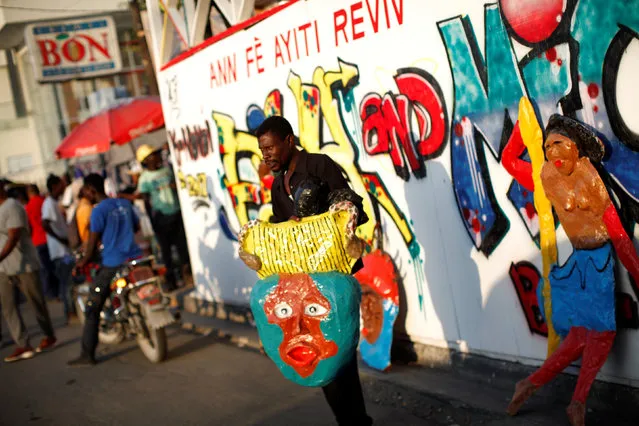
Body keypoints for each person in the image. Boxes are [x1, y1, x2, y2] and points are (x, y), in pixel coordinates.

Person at [502, 114, 639, 426]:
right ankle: (575, 401)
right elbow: (509, 161)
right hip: (584, 266)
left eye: (559, 144)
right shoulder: (548, 176)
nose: (553, 152)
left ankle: (532, 385)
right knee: (596, 335)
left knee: (582, 338)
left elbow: (619, 237)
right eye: (548, 146)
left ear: (577, 150)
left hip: (594, 263)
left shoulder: (590, 181)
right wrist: (523, 130)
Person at [256, 116, 373, 426]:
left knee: (339, 359)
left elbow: (354, 209)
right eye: (262, 150)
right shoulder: (278, 186)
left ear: (289, 140)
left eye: (270, 148)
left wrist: (338, 207)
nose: (266, 155)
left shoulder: (319, 165)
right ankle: (352, 422)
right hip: (302, 288)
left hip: (331, 283)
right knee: (324, 365)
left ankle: (356, 421)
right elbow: (283, 239)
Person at [68, 174, 141, 366]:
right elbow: (137, 226)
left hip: (113, 263)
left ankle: (87, 354)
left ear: (91, 190)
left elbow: (91, 245)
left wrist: (81, 262)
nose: (85, 194)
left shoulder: (98, 211)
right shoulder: (124, 204)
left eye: (85, 190)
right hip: (135, 258)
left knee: (93, 306)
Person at [0, 179, 57, 362]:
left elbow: (14, 235)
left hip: (24, 265)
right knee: (9, 307)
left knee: (36, 302)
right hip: (4, 269)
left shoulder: (12, 206)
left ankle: (49, 335)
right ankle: (23, 344)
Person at [135, 144, 190, 292]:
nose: (158, 157)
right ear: (146, 160)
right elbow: (146, 201)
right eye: (154, 155)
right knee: (166, 253)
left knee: (182, 247)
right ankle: (171, 280)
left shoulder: (167, 171)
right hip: (161, 218)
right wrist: (153, 221)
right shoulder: (144, 179)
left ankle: (187, 275)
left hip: (176, 213)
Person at [42, 174, 75, 322]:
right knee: (66, 283)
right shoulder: (48, 203)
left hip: (63, 250)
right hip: (60, 252)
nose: (63, 187)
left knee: (68, 282)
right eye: (61, 185)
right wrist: (60, 238)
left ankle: (71, 312)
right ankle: (69, 313)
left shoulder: (54, 202)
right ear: (55, 186)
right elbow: (45, 224)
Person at [25, 184, 59, 300]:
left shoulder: (28, 207)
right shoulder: (45, 201)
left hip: (37, 241)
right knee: (54, 267)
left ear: (29, 193)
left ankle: (50, 294)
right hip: (50, 238)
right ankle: (58, 291)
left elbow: (28, 227)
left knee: (45, 269)